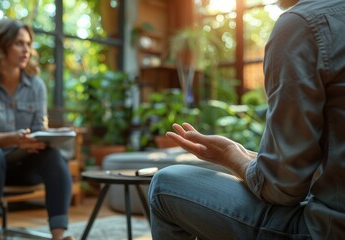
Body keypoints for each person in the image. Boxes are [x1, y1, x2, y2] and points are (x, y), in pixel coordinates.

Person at [148, 0, 345, 239]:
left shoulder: (303, 25)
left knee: (165, 185)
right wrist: (250, 157)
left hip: (327, 230)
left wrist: (230, 155)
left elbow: (283, 189)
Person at [0, 19, 74, 240]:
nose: (27, 50)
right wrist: (14, 138)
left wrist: (48, 138)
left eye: (28, 44)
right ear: (1, 45)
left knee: (54, 157)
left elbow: (37, 130)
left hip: (22, 166)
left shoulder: (36, 85)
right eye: (19, 43)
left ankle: (58, 236)